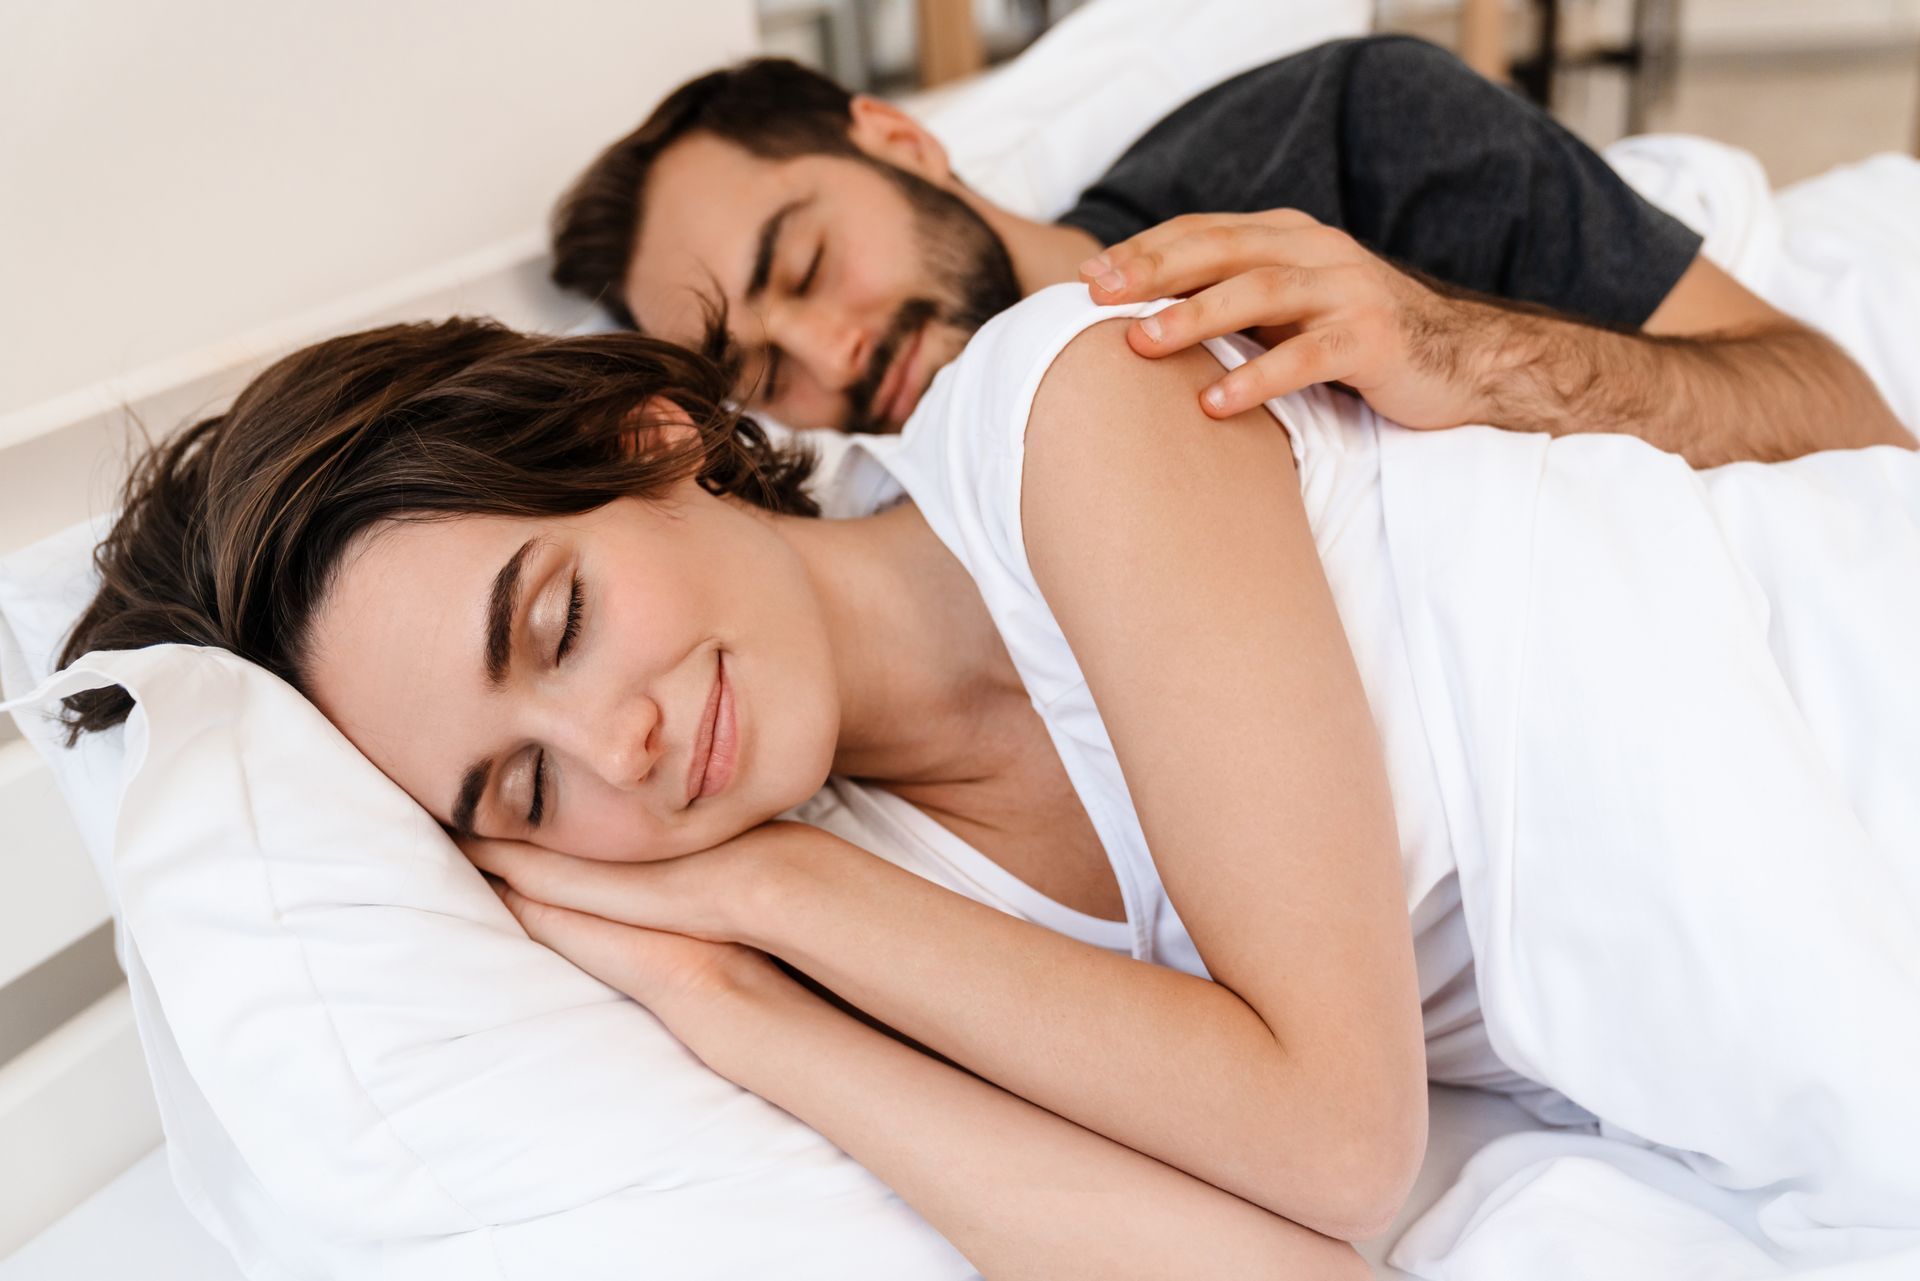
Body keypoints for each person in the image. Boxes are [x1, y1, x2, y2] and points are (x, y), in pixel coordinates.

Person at [60, 283, 1920, 1274]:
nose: (609, 750)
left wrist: (771, 896)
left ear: (644, 434)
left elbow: (1339, 1146)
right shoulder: (884, 912)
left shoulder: (1078, 415)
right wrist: (726, 990)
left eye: (551, 622)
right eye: (521, 794)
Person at [549, 39, 1912, 465]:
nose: (830, 359)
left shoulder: (1352, 138)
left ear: (900, 143)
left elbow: (1835, 407)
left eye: (801, 266)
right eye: (759, 368)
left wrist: (1453, 351)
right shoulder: (922, 500)